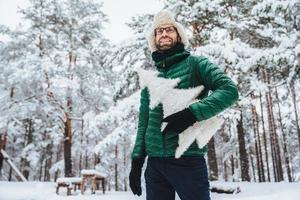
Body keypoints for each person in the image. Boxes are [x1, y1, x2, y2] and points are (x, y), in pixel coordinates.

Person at [129, 10, 239, 200]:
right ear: (154, 39)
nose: (164, 34)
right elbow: (144, 122)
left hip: (188, 160)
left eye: (169, 30)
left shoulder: (196, 64)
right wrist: (137, 160)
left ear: (178, 35)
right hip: (155, 166)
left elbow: (229, 90)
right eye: (159, 31)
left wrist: (192, 113)